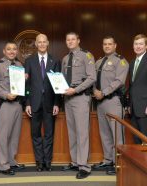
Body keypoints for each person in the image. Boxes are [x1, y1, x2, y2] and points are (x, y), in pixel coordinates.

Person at [61, 32, 96, 179]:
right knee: (72, 132)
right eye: (68, 39)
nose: (70, 42)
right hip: (68, 99)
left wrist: (75, 89)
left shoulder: (86, 56)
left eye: (73, 39)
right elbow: (63, 78)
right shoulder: (65, 58)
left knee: (82, 132)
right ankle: (75, 161)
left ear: (78, 40)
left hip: (80, 97)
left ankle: (84, 166)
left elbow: (92, 77)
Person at [92, 36, 128, 175]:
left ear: (115, 45)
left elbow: (119, 81)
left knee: (117, 134)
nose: (107, 46)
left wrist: (104, 92)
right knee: (105, 133)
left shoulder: (121, 61)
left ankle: (119, 163)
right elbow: (93, 79)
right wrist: (95, 91)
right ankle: (108, 160)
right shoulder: (99, 61)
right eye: (105, 44)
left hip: (113, 101)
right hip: (100, 103)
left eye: (109, 44)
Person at [0, 41, 25, 175]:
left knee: (14, 135)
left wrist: (24, 79)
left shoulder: (19, 65)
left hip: (17, 104)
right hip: (4, 105)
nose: (11, 51)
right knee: (3, 136)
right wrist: (5, 94)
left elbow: (20, 86)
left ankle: (11, 161)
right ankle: (3, 165)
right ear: (4, 51)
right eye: (9, 49)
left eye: (14, 49)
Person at [24, 34, 60, 172]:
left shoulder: (55, 61)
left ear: (48, 43)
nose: (42, 44)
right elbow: (26, 85)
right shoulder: (29, 61)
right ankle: (39, 161)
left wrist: (57, 103)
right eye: (40, 42)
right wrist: (27, 103)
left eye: (44, 41)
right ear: (36, 44)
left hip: (50, 104)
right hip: (34, 103)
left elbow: (58, 84)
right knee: (36, 134)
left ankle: (48, 162)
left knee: (49, 134)